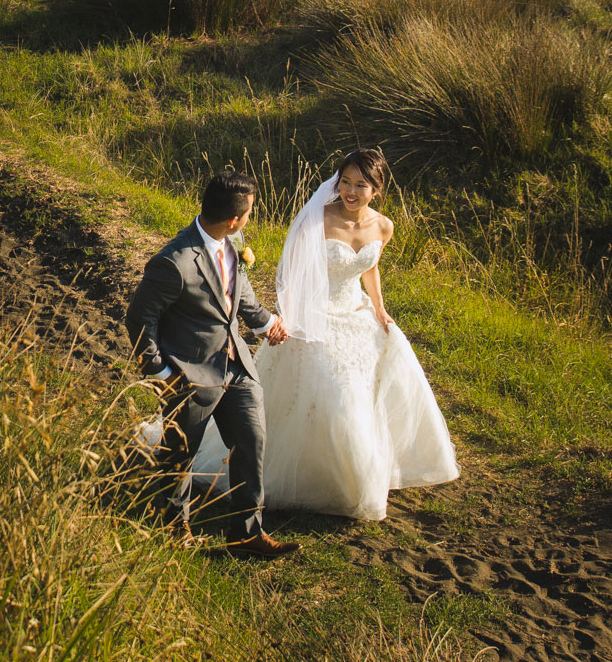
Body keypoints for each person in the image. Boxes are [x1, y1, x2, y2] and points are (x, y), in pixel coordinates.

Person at [189, 148, 457, 520]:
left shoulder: (384, 226)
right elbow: (294, 271)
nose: (350, 191)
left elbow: (370, 267)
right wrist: (298, 317)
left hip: (356, 311)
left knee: (366, 391)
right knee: (336, 394)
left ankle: (360, 474)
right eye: (345, 181)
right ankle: (327, 480)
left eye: (361, 185)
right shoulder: (319, 218)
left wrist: (378, 307)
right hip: (316, 314)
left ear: (376, 189)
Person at [126, 169, 297, 557]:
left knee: (252, 442)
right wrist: (163, 372)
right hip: (190, 374)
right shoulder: (173, 262)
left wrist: (269, 323)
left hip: (237, 366)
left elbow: (241, 300)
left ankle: (246, 535)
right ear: (235, 218)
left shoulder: (231, 242)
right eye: (250, 212)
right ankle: (174, 530)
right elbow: (138, 321)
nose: (249, 219)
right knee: (180, 455)